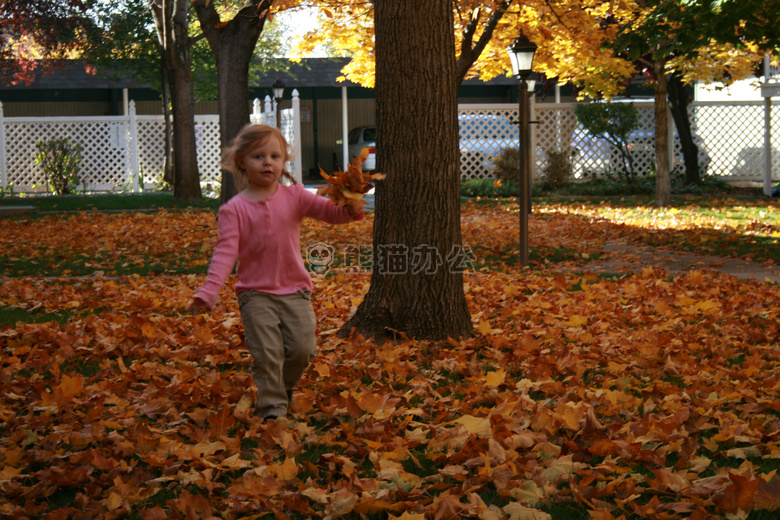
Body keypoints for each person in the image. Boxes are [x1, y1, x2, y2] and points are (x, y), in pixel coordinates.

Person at [189, 123, 364, 421]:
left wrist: (352, 203)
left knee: (302, 349)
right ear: (242, 161)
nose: (268, 162)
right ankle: (272, 412)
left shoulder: (295, 196)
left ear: (283, 162)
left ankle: (281, 389)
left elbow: (332, 214)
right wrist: (208, 293)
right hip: (255, 295)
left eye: (275, 156)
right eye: (258, 156)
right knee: (267, 354)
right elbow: (225, 254)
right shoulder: (234, 209)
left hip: (295, 291)